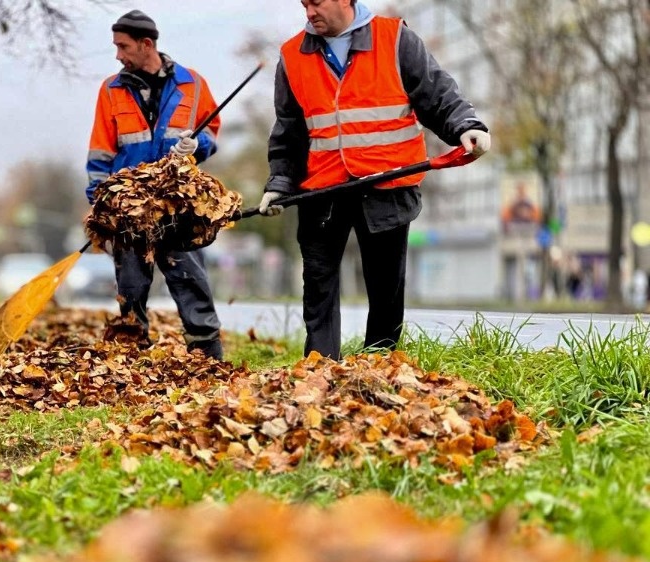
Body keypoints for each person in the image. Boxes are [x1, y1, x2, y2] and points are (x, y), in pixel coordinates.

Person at [258, 0, 491, 360]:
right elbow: (288, 131)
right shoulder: (293, 56)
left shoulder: (395, 39)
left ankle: (379, 367)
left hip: (388, 187)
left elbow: (436, 93)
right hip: (323, 190)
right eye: (304, 4)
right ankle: (320, 371)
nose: (308, 12)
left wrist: (466, 126)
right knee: (318, 287)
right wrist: (279, 184)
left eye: (316, 2)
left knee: (385, 290)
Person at [86, 9, 224, 359]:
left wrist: (199, 145)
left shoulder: (192, 84)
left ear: (146, 44)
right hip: (128, 208)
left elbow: (211, 132)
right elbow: (101, 150)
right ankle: (132, 356)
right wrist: (99, 205)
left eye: (123, 46)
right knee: (130, 285)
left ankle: (207, 354)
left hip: (177, 204)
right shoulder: (111, 90)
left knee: (190, 278)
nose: (118, 55)